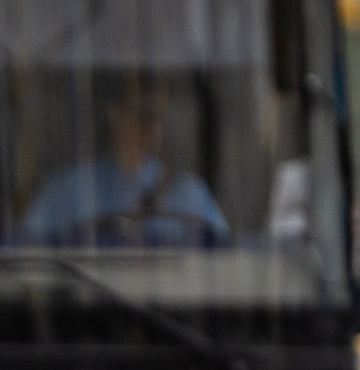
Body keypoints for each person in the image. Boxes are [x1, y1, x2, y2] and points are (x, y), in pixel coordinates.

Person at [17, 71, 229, 248]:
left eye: (159, 117)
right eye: (143, 113)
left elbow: (224, 262)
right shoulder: (62, 193)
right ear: (112, 113)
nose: (151, 127)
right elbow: (26, 260)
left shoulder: (190, 195)